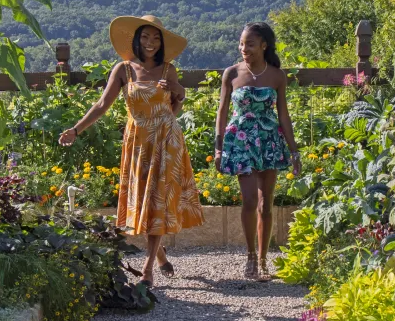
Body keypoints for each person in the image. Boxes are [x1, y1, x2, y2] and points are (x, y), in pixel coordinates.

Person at [59, 15, 204, 287]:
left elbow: (177, 104)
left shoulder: (167, 70)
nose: (150, 43)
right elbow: (102, 104)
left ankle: (147, 269)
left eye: (156, 38)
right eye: (146, 37)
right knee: (142, 201)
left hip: (166, 139)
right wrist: (76, 129)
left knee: (158, 199)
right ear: (136, 40)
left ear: (161, 42)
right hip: (138, 140)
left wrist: (178, 91)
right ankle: (159, 254)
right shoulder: (124, 70)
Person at [215, 22, 301, 280]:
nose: (244, 49)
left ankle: (264, 259)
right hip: (241, 141)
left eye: (250, 44)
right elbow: (221, 112)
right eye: (241, 44)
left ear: (264, 45)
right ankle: (250, 256)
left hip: (269, 141)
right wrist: (218, 148)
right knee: (250, 200)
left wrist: (294, 151)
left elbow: (283, 115)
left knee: (267, 204)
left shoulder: (277, 76)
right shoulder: (231, 74)